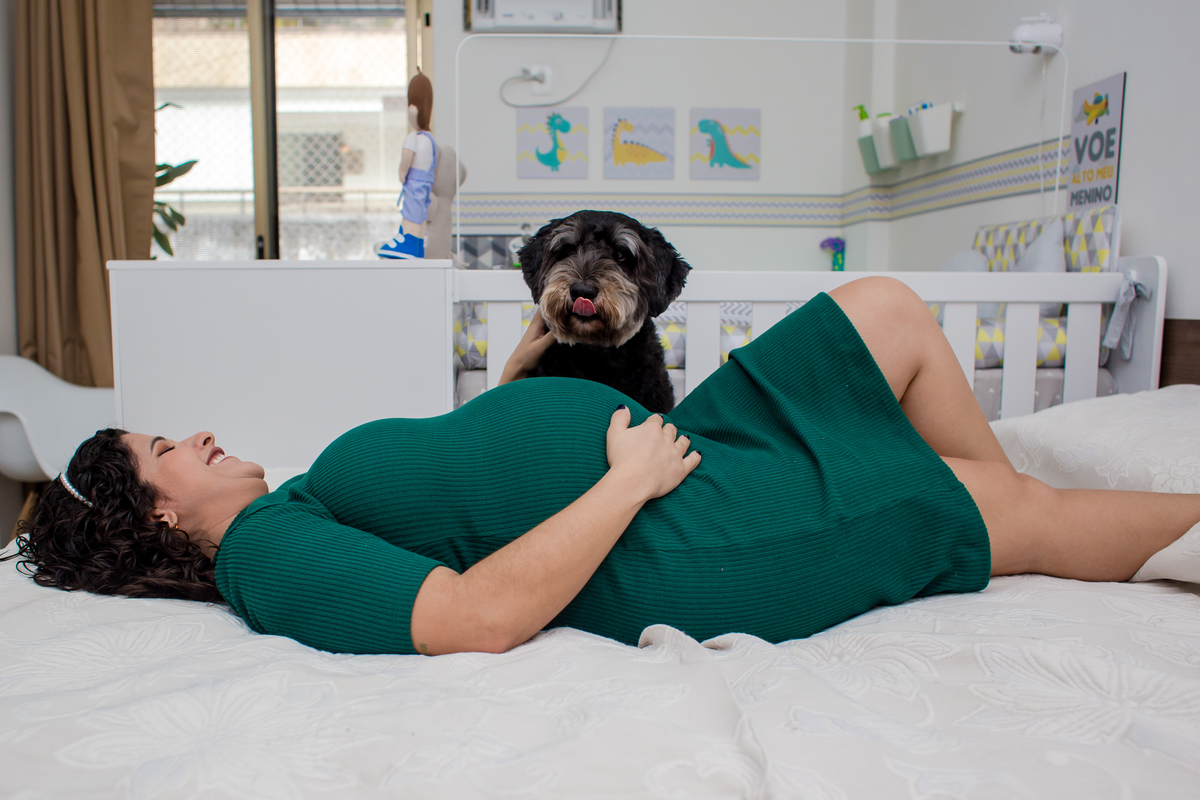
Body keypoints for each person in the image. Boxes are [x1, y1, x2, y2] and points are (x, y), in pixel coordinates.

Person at [11, 278, 1200, 657]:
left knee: (884, 310)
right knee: (994, 503)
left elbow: (458, 480)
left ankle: (995, 528)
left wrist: (534, 374)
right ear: (164, 521)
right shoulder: (263, 555)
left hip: (689, 457)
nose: (202, 433)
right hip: (681, 525)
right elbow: (471, 614)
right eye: (171, 448)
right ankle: (1014, 526)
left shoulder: (296, 502)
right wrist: (623, 480)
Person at [377, 71, 437, 260]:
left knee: (410, 214)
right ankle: (417, 244)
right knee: (421, 215)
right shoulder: (431, 140)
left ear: (413, 107)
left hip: (413, 184)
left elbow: (405, 165)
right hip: (426, 185)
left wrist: (402, 174)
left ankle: (407, 241)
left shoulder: (414, 138)